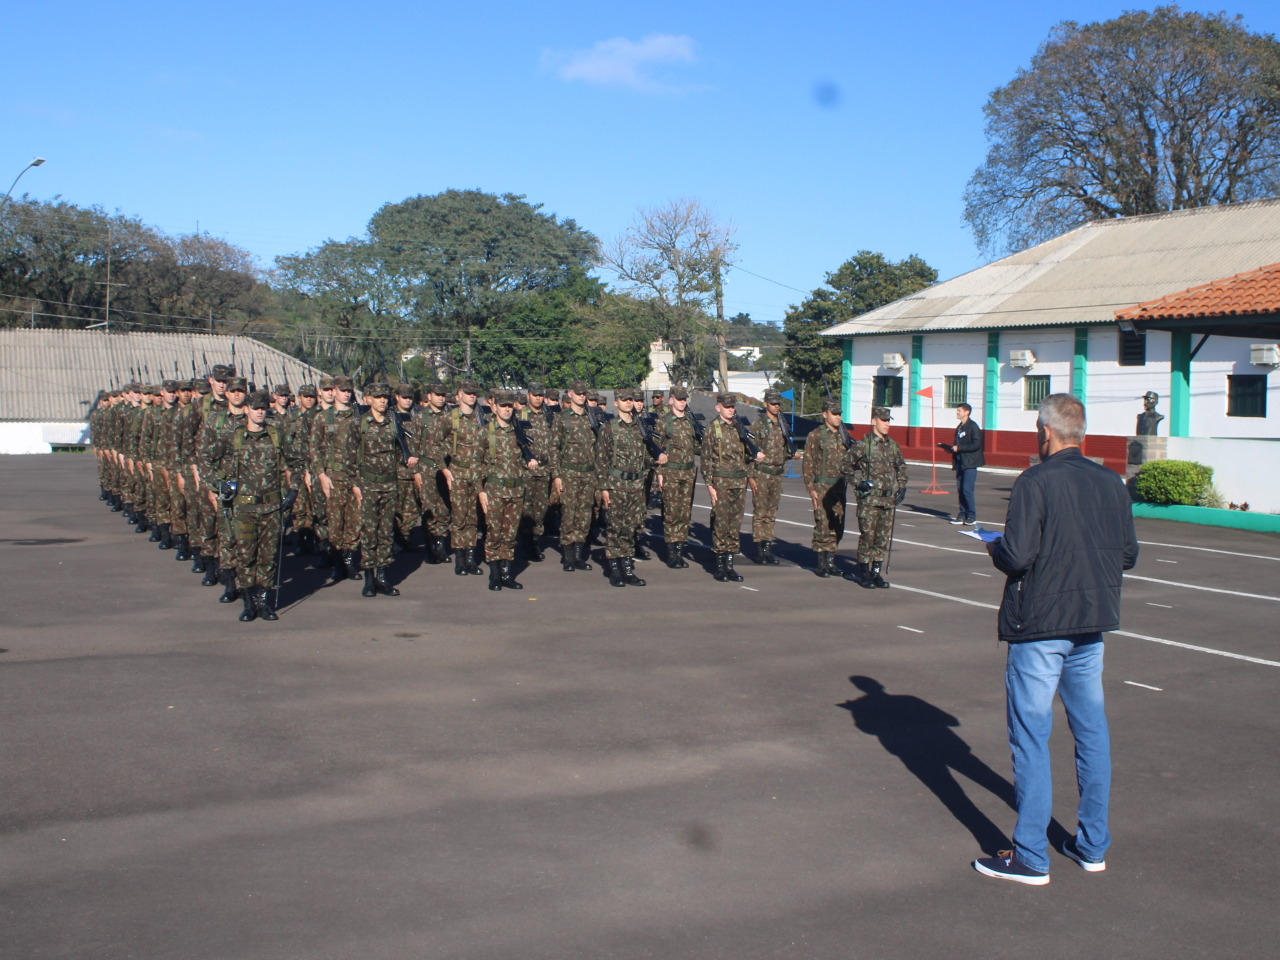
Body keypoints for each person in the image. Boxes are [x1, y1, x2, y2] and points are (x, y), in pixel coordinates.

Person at [972, 393, 1139, 886]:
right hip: (1091, 623)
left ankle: (1030, 856)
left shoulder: (1036, 480)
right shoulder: (1112, 482)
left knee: (1031, 734)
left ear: (1044, 434)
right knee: (1091, 732)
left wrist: (995, 548)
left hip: (1041, 624)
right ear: (1081, 433)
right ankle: (1092, 846)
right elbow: (1128, 555)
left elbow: (1018, 556)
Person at [212, 391, 296, 621]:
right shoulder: (234, 436)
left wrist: (293, 489)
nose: (260, 411)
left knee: (267, 559)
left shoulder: (275, 435)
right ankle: (249, 604)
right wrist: (219, 485)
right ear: (246, 409)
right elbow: (207, 459)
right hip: (244, 510)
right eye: (255, 407)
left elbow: (294, 462)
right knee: (246, 557)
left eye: (263, 408)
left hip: (271, 508)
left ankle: (263, 602)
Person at [597, 386, 661, 586]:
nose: (628, 403)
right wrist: (604, 488)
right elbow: (601, 460)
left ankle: (627, 568)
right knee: (615, 527)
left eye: (630, 400)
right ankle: (615, 570)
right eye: (623, 400)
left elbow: (646, 457)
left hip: (636, 484)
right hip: (616, 484)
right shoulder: (609, 427)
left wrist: (657, 459)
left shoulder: (640, 427)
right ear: (616, 403)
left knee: (631, 528)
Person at [702, 392, 764, 582]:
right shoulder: (713, 428)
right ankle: (720, 566)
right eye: (727, 406)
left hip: (739, 482)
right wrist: (710, 486)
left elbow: (745, 455)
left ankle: (730, 565)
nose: (730, 409)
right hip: (721, 482)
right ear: (718, 407)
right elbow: (706, 460)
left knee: (734, 523)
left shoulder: (740, 428)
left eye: (732, 406)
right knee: (721, 523)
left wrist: (754, 457)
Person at [352, 381, 402, 597]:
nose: (382, 400)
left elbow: (400, 451)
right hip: (368, 485)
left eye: (385, 397)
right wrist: (356, 485)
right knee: (369, 531)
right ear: (368, 399)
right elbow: (350, 456)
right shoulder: (360, 424)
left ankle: (383, 575)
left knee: (386, 532)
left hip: (389, 485)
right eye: (378, 396)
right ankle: (369, 578)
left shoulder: (393, 423)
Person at [848, 406, 907, 588]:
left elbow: (901, 466)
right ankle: (864, 573)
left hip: (887, 500)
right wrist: (859, 482)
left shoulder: (893, 445)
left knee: (882, 538)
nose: (887, 424)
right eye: (883, 420)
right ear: (874, 421)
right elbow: (845, 466)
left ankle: (876, 573)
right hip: (869, 500)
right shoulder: (863, 445)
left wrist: (902, 485)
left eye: (889, 420)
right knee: (868, 536)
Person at [802, 397, 849, 578]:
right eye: (834, 414)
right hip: (822, 485)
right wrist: (810, 488)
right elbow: (808, 462)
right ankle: (821, 562)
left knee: (838, 524)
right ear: (824, 414)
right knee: (823, 524)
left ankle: (831, 560)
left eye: (839, 414)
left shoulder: (843, 436)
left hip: (839, 486)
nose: (838, 417)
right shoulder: (816, 435)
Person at [654, 386, 700, 568]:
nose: (682, 402)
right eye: (679, 399)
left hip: (688, 473)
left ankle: (680, 548)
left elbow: (696, 446)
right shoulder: (664, 422)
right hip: (671, 472)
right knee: (672, 513)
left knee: (684, 513)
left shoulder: (690, 421)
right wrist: (659, 474)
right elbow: (657, 449)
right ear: (671, 400)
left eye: (684, 399)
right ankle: (672, 552)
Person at [749, 388, 794, 565]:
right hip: (762, 474)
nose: (776, 406)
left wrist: (790, 454)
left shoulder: (783, 425)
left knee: (771, 513)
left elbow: (782, 451)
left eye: (778, 404)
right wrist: (751, 477)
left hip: (776, 475)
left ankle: (767, 547)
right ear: (766, 404)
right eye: (773, 403)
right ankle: (759, 549)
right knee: (760, 513)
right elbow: (751, 452)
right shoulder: (758, 426)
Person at [946, 402, 985, 525]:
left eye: (959, 411)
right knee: (960, 489)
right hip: (960, 462)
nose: (957, 413)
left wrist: (960, 448)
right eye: (957, 411)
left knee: (967, 489)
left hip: (970, 463)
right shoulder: (960, 427)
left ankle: (971, 515)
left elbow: (977, 444)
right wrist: (951, 448)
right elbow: (958, 444)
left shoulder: (973, 426)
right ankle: (961, 514)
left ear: (967, 412)